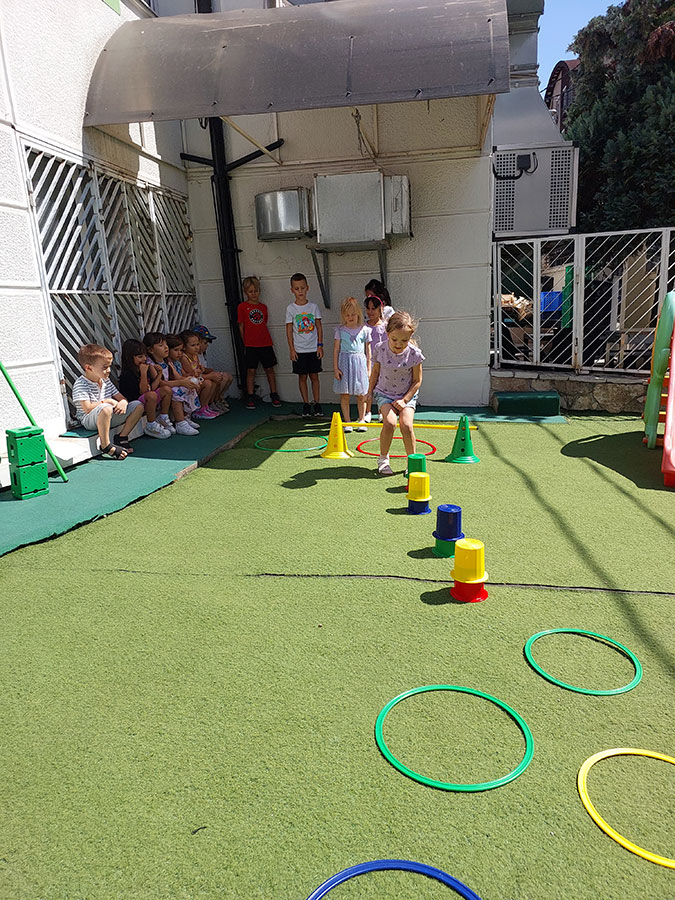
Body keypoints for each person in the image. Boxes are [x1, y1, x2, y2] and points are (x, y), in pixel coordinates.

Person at [366, 311, 424, 476]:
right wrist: (369, 392)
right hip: (384, 393)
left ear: (410, 336)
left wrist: (405, 400)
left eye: (404, 340)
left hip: (407, 395)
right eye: (394, 339)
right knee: (390, 423)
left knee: (406, 425)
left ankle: (412, 462)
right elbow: (375, 372)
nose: (399, 344)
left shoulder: (414, 354)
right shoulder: (380, 349)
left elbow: (417, 381)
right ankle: (383, 460)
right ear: (387, 333)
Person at [71, 343, 145, 459]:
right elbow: (87, 408)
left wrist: (123, 403)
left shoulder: (106, 381)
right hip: (89, 420)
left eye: (109, 366)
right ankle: (105, 445)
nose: (109, 370)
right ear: (89, 368)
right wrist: (107, 402)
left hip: (108, 415)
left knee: (138, 405)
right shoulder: (81, 384)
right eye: (104, 367)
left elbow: (122, 398)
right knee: (106, 408)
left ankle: (122, 437)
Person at [143, 332, 200, 435]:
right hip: (159, 392)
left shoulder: (167, 361)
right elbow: (160, 383)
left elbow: (178, 377)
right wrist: (181, 382)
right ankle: (180, 423)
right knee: (177, 391)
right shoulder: (151, 364)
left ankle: (185, 416)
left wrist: (189, 381)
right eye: (161, 345)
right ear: (151, 350)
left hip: (167, 388)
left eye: (166, 344)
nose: (166, 347)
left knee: (187, 387)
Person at [238, 276, 282, 409]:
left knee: (270, 369)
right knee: (251, 370)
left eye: (256, 291)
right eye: (250, 291)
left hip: (265, 343)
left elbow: (264, 322)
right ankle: (250, 395)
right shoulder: (242, 307)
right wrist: (245, 341)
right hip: (251, 345)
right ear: (246, 292)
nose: (253, 294)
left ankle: (274, 394)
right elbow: (241, 326)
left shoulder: (263, 307)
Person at [285, 272, 323, 417]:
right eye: (297, 288)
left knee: (314, 376)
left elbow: (319, 327)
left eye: (302, 288)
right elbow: (289, 330)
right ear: (292, 290)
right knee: (302, 377)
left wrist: (320, 345)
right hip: (299, 350)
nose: (300, 291)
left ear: (307, 288)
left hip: (313, 348)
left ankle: (317, 403)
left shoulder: (313, 307)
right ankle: (306, 403)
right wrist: (292, 349)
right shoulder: (290, 309)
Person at [119, 339, 172, 439]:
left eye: (145, 356)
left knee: (166, 389)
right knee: (151, 395)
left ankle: (163, 417)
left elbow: (151, 388)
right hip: (135, 404)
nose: (144, 359)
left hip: (147, 399)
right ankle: (151, 424)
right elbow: (143, 391)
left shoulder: (143, 368)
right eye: (140, 357)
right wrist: (143, 374)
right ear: (130, 358)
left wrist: (159, 374)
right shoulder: (128, 374)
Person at [332, 296, 371, 433]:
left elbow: (368, 350)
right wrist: (335, 368)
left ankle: (361, 420)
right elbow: (336, 349)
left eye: (353, 314)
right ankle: (347, 421)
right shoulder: (340, 330)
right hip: (344, 364)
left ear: (358, 313)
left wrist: (368, 368)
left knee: (361, 394)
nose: (350, 317)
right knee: (345, 394)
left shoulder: (364, 330)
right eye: (347, 315)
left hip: (359, 364)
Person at [180, 330, 221, 418]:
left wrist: (200, 369)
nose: (196, 348)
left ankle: (206, 406)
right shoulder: (184, 358)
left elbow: (197, 369)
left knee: (212, 382)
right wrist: (202, 373)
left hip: (196, 380)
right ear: (184, 347)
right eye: (193, 345)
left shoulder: (195, 356)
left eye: (198, 344)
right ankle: (200, 409)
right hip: (188, 381)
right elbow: (191, 374)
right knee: (208, 383)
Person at [191, 324, 233, 412]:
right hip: (197, 382)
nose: (207, 346)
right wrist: (210, 375)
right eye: (205, 343)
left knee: (225, 376)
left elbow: (202, 369)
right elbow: (193, 374)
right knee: (214, 380)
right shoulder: (191, 357)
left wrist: (209, 371)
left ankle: (216, 400)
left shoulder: (201, 354)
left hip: (201, 378)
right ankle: (207, 405)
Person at [166, 334, 203, 425]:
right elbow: (178, 378)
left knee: (191, 385)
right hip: (173, 385)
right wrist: (189, 380)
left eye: (181, 350)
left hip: (178, 383)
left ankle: (186, 415)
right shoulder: (169, 363)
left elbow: (184, 375)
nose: (179, 353)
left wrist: (191, 379)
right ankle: (181, 422)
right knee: (180, 390)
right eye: (176, 350)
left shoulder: (177, 362)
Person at [363, 294, 388, 423]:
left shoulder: (385, 326)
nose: (370, 311)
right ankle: (367, 411)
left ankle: (381, 411)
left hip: (382, 361)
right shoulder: (364, 326)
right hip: (368, 361)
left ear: (380, 309)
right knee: (369, 386)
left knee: (382, 386)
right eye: (368, 308)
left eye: (373, 308)